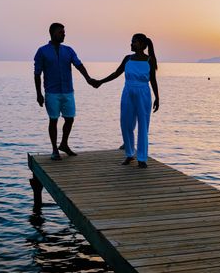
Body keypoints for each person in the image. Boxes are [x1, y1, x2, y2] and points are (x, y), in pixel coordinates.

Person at [94, 34, 159, 168]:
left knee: (143, 126)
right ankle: (129, 154)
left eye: (133, 42)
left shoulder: (149, 60)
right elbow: (116, 73)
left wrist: (157, 97)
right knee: (125, 124)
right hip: (128, 91)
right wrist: (101, 81)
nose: (131, 44)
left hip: (143, 93)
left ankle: (142, 158)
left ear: (141, 44)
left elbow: (153, 79)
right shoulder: (127, 59)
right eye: (131, 42)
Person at [34, 22, 96, 160]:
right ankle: (54, 150)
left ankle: (64, 144)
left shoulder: (68, 50)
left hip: (68, 91)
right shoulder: (42, 51)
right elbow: (37, 74)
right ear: (53, 33)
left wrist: (88, 79)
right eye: (61, 32)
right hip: (52, 92)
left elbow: (79, 65)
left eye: (64, 32)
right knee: (53, 120)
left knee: (70, 118)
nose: (64, 34)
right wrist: (39, 94)